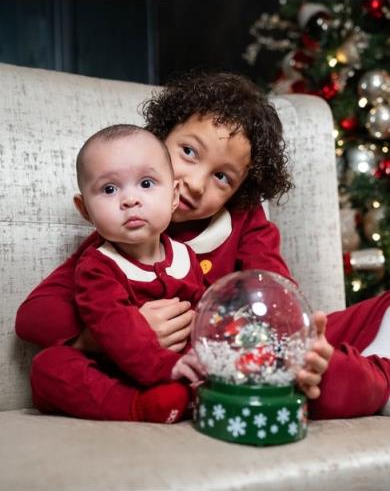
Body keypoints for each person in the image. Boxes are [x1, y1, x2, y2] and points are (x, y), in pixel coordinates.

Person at [16, 72, 389, 420]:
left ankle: (344, 369)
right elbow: (34, 317)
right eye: (189, 153)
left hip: (229, 349)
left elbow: (278, 294)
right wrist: (107, 335)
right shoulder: (118, 235)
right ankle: (146, 406)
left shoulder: (243, 222)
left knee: (339, 323)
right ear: (160, 138)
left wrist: (269, 332)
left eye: (222, 177)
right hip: (145, 374)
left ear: (240, 191)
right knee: (50, 367)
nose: (195, 183)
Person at [29, 124, 206, 423]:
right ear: (85, 210)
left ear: (174, 195)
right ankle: (137, 405)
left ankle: (191, 392)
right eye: (109, 189)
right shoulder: (97, 266)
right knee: (48, 366)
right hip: (115, 372)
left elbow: (202, 312)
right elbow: (113, 323)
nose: (130, 200)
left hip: (176, 366)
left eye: (147, 183)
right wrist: (166, 366)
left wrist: (201, 360)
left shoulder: (185, 256)